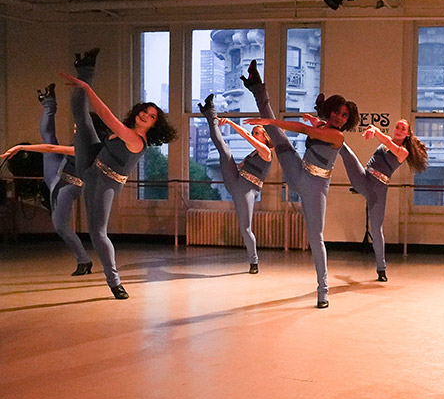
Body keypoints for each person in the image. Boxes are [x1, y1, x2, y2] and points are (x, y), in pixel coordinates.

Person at [61, 48, 177, 299]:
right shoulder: (126, 130)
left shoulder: (136, 139)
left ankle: (114, 282)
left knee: (97, 232)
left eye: (151, 116)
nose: (145, 115)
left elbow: (105, 115)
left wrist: (87, 89)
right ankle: (85, 67)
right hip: (91, 165)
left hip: (106, 182)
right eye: (144, 111)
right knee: (81, 116)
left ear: (154, 124)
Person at [242, 60, 359, 308]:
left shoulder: (337, 135)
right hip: (299, 172)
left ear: (348, 120)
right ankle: (257, 88)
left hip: (315, 188)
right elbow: (314, 124)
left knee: (316, 238)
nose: (339, 117)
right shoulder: (325, 125)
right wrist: (313, 116)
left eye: (344, 115)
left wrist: (271, 123)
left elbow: (303, 129)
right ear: (330, 111)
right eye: (337, 112)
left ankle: (323, 290)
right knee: (279, 138)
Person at [1, 83, 92, 275]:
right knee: (48, 137)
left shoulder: (89, 147)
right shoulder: (82, 140)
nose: (75, 127)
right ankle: (48, 102)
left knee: (60, 226)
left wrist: (21, 148)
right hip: (57, 171)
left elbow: (51, 149)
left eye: (79, 126)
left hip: (67, 185)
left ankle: (84, 260)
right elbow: (50, 145)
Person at [338, 120, 428, 282]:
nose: (398, 130)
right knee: (346, 151)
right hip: (364, 178)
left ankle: (381, 268)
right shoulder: (386, 140)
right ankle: (328, 134)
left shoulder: (403, 152)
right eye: (397, 127)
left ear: (407, 134)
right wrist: (371, 130)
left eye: (403, 129)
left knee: (376, 229)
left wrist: (375, 130)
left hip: (378, 190)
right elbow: (383, 140)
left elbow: (386, 141)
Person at [198, 94, 273, 274]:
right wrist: (229, 165)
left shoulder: (266, 152)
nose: (254, 135)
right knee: (224, 150)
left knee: (245, 229)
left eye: (257, 133)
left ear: (265, 136)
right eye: (254, 133)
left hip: (247, 190)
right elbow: (239, 166)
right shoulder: (252, 154)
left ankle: (254, 261)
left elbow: (246, 136)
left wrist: (231, 123)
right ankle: (209, 113)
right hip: (237, 180)